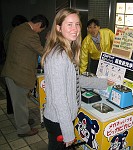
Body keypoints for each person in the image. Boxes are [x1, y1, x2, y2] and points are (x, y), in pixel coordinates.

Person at [41, 8, 113, 150]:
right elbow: (58, 99)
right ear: (58, 27)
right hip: (59, 121)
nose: (75, 29)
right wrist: (68, 132)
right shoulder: (59, 56)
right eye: (69, 24)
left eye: (77, 24)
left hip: (61, 119)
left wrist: (102, 82)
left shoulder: (66, 49)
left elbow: (75, 79)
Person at [1, 14, 49, 137]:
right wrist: (50, 42)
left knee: (20, 102)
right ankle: (23, 129)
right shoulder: (31, 34)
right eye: (41, 30)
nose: (40, 32)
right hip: (18, 75)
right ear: (39, 25)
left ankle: (23, 121)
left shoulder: (19, 28)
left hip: (12, 71)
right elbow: (43, 52)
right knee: (20, 104)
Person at [3, 15, 28, 115]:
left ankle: (12, 111)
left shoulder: (10, 31)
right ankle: (21, 120)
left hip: (9, 67)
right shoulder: (15, 33)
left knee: (11, 95)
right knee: (17, 98)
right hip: (14, 68)